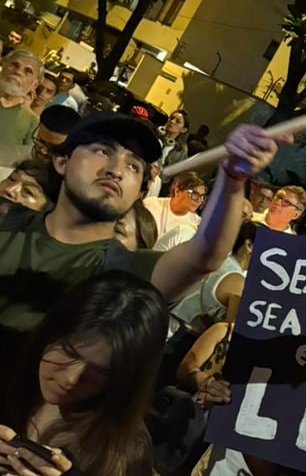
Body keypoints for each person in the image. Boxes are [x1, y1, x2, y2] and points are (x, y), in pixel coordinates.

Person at [0, 111, 282, 353]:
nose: (116, 170)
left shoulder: (125, 274)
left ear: (140, 193)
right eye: (102, 151)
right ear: (61, 162)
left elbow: (205, 255)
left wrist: (233, 179)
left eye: (133, 165)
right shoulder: (8, 223)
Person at [0, 273, 167, 476]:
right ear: (50, 332)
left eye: (101, 372)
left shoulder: (124, 452)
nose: (71, 379)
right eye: (69, 353)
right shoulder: (8, 361)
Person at [143, 171, 208, 248]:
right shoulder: (151, 204)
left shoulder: (196, 225)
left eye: (202, 196)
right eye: (194, 194)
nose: (199, 200)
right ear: (177, 191)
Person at [0, 50, 39, 167]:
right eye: (14, 65)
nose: (18, 72)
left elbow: (25, 160)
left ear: (34, 85)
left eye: (28, 71)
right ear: (2, 67)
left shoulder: (32, 121)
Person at [146, 107, 191, 195]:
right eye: (171, 118)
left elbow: (176, 177)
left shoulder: (181, 151)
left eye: (177, 121)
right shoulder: (154, 136)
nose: (172, 121)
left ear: (184, 129)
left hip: (156, 186)